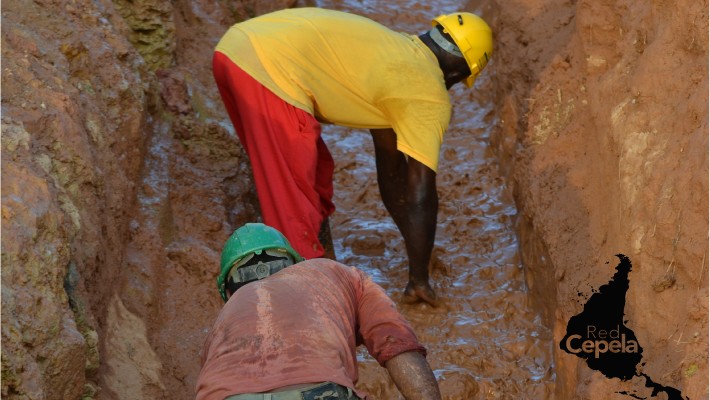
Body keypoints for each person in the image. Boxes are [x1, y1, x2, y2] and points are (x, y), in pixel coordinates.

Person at [212, 7, 493, 306]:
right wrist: (419, 279)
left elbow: (393, 176)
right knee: (293, 200)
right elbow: (420, 193)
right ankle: (314, 299)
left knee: (315, 172)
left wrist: (416, 249)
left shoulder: (394, 52)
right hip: (265, 69)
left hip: (236, 51)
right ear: (458, 72)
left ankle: (323, 259)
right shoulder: (426, 90)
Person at [195, 223, 442, 400]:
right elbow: (396, 345)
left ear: (226, 292)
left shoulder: (220, 325)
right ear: (296, 263)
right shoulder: (339, 274)